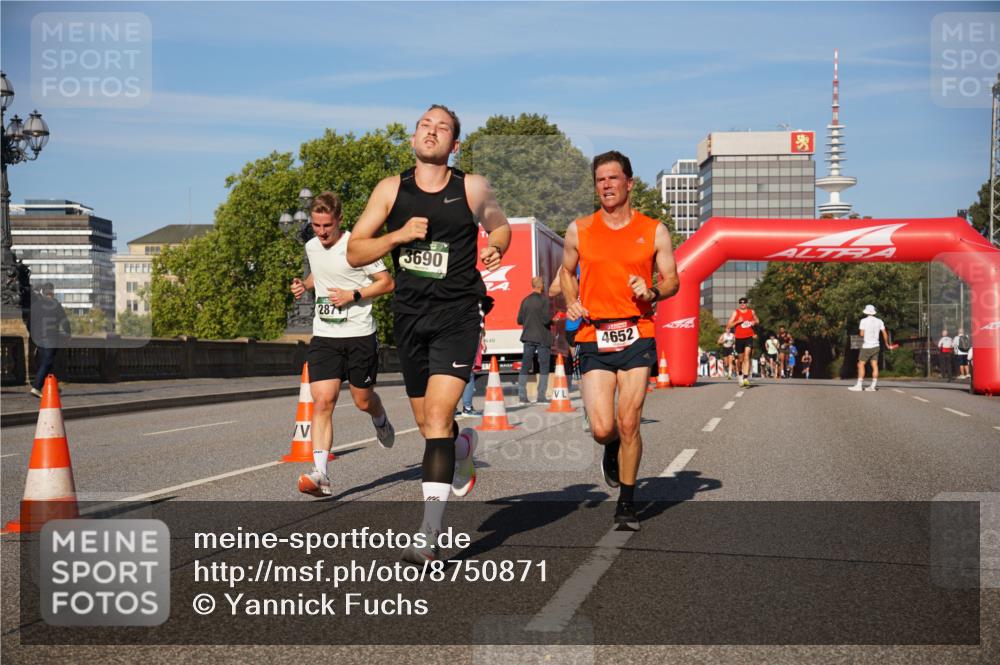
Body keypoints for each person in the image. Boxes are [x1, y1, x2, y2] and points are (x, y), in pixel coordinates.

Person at [347, 104, 511, 563]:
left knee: (437, 417)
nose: (431, 130)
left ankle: (429, 534)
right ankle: (463, 446)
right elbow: (357, 251)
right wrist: (397, 236)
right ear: (414, 138)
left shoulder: (472, 187)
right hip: (410, 318)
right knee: (427, 426)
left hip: (458, 314)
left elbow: (499, 227)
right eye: (425, 124)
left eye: (442, 127)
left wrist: (495, 246)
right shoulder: (390, 190)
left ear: (454, 145)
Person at [560, 150, 679, 531]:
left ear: (629, 183)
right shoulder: (580, 229)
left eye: (613, 178)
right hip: (593, 333)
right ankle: (610, 447)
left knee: (629, 421)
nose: (607, 185)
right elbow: (565, 271)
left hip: (637, 332)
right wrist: (571, 300)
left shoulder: (653, 229)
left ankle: (626, 503)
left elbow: (672, 280)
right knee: (601, 428)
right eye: (600, 180)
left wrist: (653, 291)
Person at [290, 192, 396, 497]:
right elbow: (319, 274)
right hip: (325, 336)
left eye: (327, 226)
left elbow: (387, 282)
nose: (321, 232)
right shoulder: (311, 246)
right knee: (323, 400)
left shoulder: (357, 247)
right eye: (316, 225)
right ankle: (321, 474)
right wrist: (304, 285)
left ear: (339, 221)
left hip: (360, 335)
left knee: (363, 400)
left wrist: (354, 295)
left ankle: (380, 418)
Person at [29, 282, 71, 397]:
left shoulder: (36, 305)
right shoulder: (55, 304)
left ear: (43, 292)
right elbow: (64, 321)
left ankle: (53, 385)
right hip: (50, 337)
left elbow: (30, 322)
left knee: (47, 361)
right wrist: (68, 333)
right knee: (47, 362)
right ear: (52, 292)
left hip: (37, 337)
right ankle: (36, 387)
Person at [517, 276, 553, 404]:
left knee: (525, 366)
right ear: (541, 285)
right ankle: (541, 396)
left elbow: (519, 320)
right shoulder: (544, 301)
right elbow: (545, 320)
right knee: (544, 367)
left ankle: (522, 396)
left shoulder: (525, 301)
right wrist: (554, 320)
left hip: (527, 337)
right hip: (542, 337)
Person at [849, 304, 897, 392]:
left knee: (860, 364)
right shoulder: (879, 321)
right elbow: (884, 333)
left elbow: (861, 334)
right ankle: (873, 386)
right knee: (874, 365)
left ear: (866, 312)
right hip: (876, 346)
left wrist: (858, 341)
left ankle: (859, 385)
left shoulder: (863, 321)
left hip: (866, 346)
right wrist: (887, 344)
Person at [725, 297, 759, 387]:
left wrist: (754, 322)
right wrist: (737, 321)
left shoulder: (751, 312)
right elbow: (728, 325)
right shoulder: (735, 312)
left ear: (747, 303)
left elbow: (757, 320)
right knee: (740, 360)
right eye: (741, 302)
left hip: (749, 337)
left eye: (744, 302)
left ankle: (746, 378)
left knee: (747, 356)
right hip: (739, 338)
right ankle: (740, 374)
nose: (742, 304)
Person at [460, 329, 486, 415]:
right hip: (468, 345)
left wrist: (482, 341)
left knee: (455, 377)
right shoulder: (473, 317)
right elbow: (480, 327)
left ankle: (452, 409)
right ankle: (467, 407)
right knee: (469, 377)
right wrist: (482, 341)